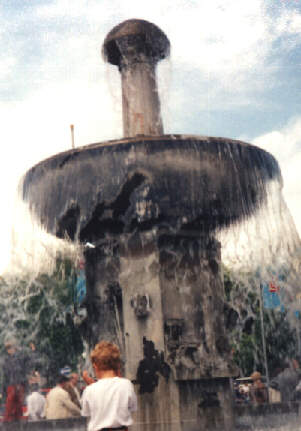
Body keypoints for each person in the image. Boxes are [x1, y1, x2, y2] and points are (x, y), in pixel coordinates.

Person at [81, 340, 137, 431]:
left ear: (95, 366)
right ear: (118, 365)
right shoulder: (126, 385)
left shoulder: (90, 390)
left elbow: (86, 412)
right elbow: (132, 406)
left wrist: (92, 385)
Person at [2, 337, 31, 422]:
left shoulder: (20, 357)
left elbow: (25, 368)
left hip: (18, 385)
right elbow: (6, 375)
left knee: (17, 406)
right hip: (12, 385)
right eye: (7, 348)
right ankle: (9, 420)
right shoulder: (6, 360)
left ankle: (14, 421)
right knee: (11, 405)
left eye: (10, 347)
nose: (9, 350)